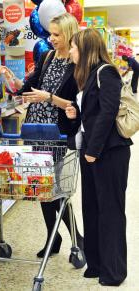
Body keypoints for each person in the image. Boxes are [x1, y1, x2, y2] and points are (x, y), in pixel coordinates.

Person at [0, 12, 83, 259]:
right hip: (35, 128)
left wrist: (49, 98)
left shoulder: (77, 63)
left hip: (56, 133)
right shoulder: (47, 57)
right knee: (42, 187)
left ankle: (75, 237)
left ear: (69, 34)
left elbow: (76, 105)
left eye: (57, 35)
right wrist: (9, 77)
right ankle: (52, 236)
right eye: (50, 34)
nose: (52, 38)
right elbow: (26, 89)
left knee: (55, 188)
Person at [65, 28, 133, 286]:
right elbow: (92, 116)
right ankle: (95, 264)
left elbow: (108, 113)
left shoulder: (108, 72)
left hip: (110, 152)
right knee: (91, 207)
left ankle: (114, 271)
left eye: (73, 46)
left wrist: (93, 151)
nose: (70, 51)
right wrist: (75, 115)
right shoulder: (87, 76)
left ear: (85, 49)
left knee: (111, 211)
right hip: (91, 152)